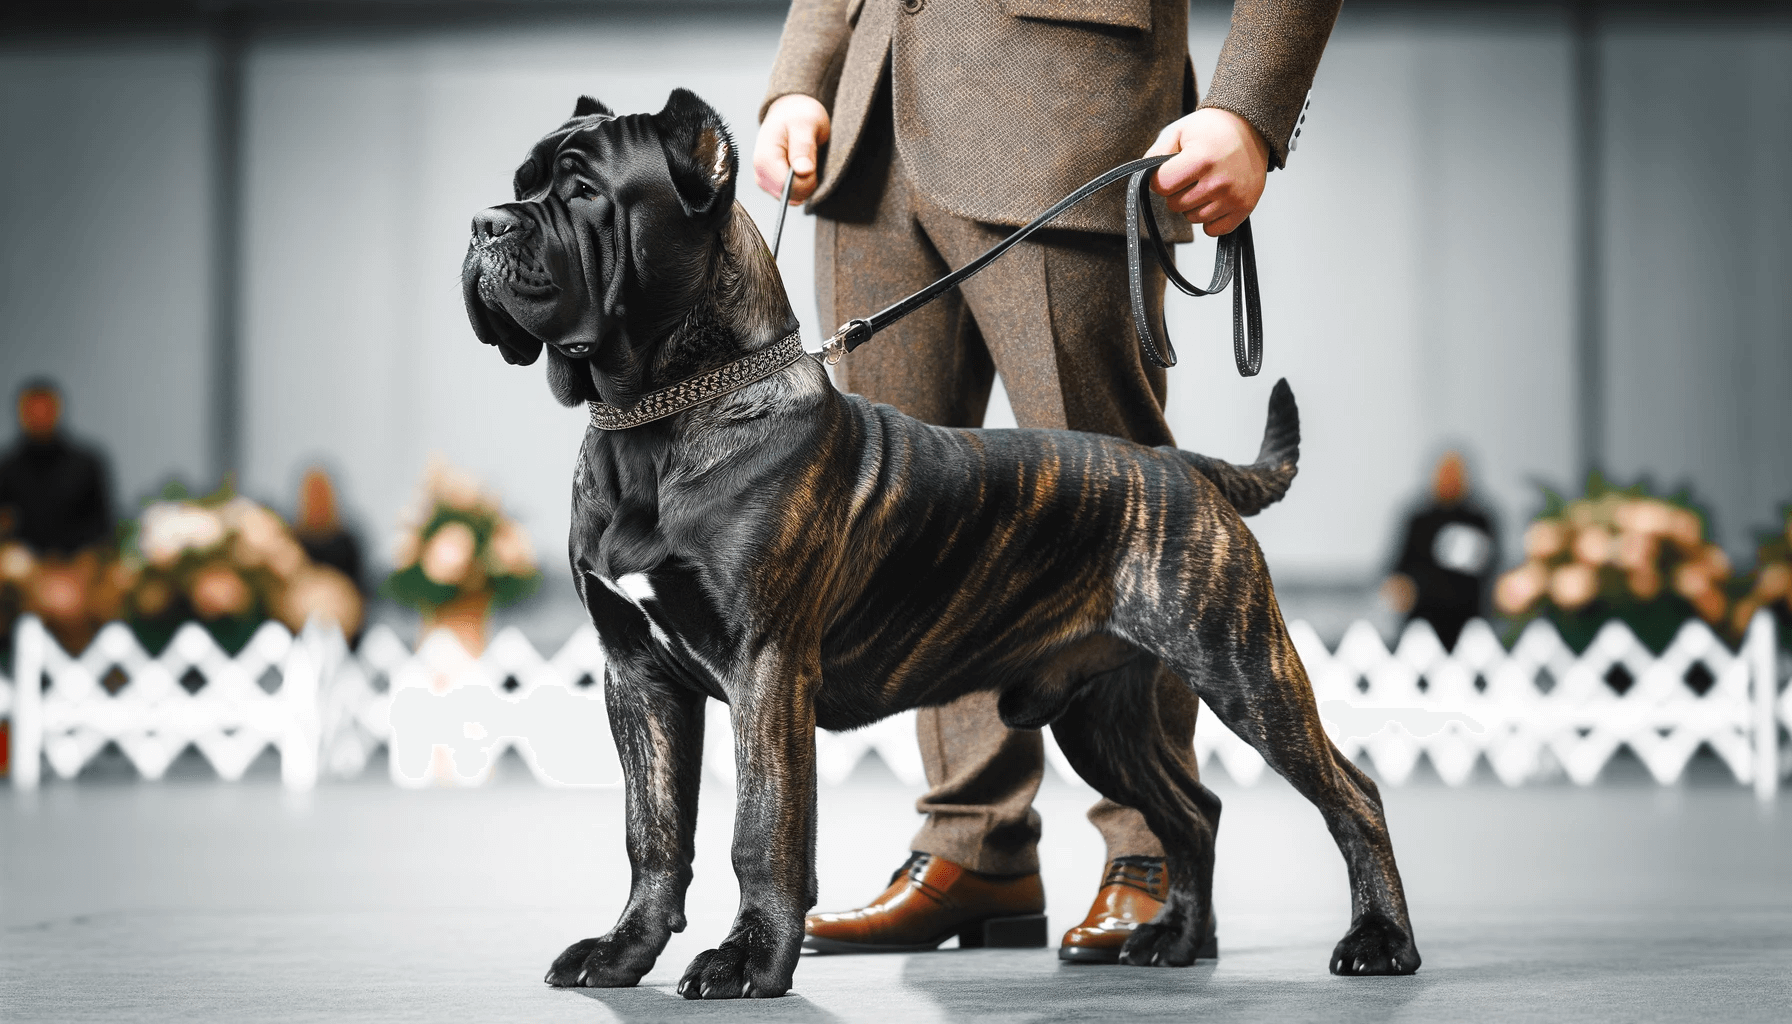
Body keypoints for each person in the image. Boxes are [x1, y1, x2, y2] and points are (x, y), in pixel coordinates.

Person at [755, 0, 1340, 962]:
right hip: (865, 139)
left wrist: (1250, 108)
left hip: (1065, 111)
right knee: (893, 529)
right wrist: (801, 72)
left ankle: (1152, 853)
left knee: (1125, 517)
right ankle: (973, 844)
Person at [0, 379, 117, 652]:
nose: (39, 416)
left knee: (76, 607)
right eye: (32, 409)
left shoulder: (86, 464)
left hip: (79, 569)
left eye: (45, 408)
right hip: (24, 571)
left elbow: (101, 528)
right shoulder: (7, 469)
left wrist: (76, 571)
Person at [1382, 451, 1500, 651]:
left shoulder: (1480, 520)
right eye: (1444, 473)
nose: (1449, 479)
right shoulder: (1417, 520)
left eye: (1455, 473)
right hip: (1421, 622)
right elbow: (1398, 566)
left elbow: (1486, 568)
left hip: (1467, 622)